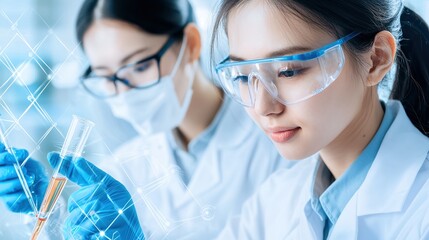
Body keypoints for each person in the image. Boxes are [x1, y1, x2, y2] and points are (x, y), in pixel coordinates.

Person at [0, 0, 292, 239]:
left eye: (139, 66)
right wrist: (50, 217)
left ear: (190, 44)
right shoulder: (125, 167)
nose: (124, 91)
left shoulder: (281, 140)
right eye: (106, 76)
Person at [209, 0, 429, 239]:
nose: (263, 107)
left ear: (376, 60)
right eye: (242, 77)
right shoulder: (272, 202)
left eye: (289, 71)